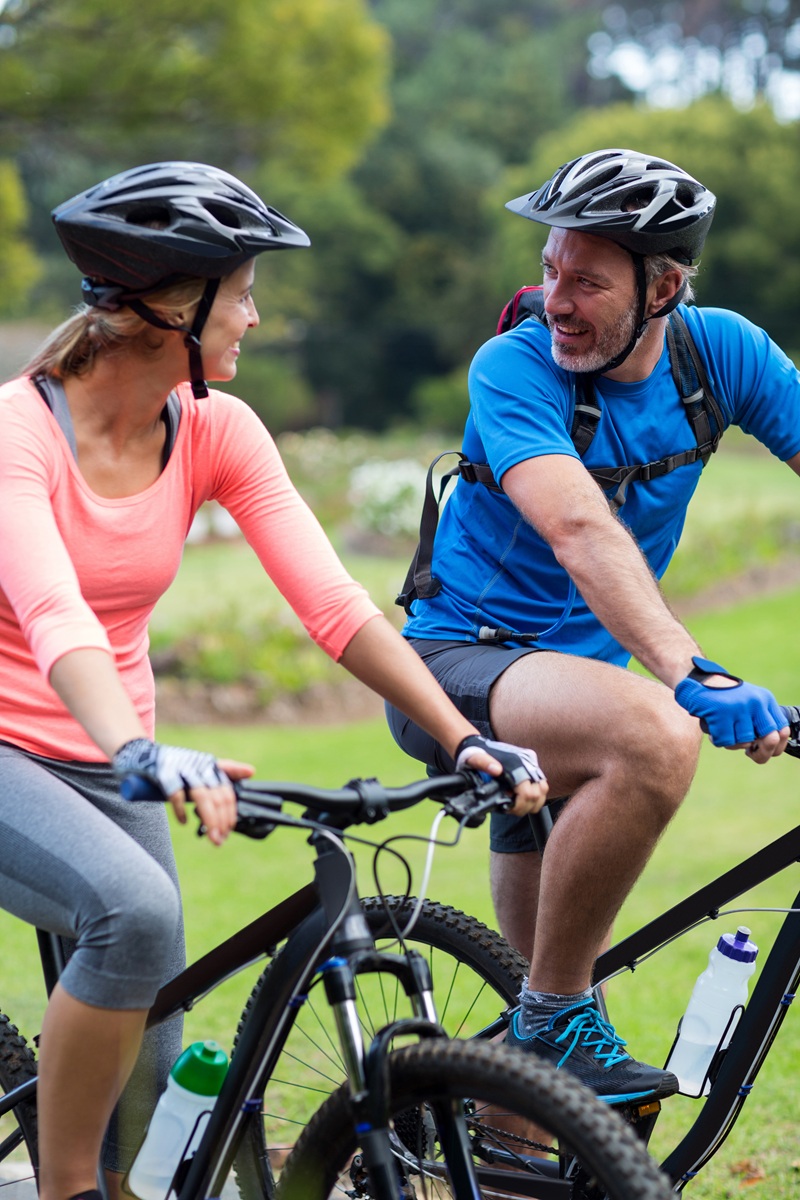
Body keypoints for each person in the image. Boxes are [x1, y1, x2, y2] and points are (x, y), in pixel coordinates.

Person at [0, 161, 547, 1200]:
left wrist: (457, 732)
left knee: (151, 1065)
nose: (254, 315)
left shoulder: (212, 428)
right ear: (173, 306)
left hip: (112, 753)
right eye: (242, 291)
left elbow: (333, 605)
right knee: (137, 914)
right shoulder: (18, 433)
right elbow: (54, 614)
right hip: (43, 744)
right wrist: (140, 753)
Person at [386, 147, 797, 1104]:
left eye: (587, 280)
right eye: (550, 270)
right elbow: (575, 525)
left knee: (543, 1121)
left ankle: (531, 1049)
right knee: (656, 734)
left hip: (578, 694)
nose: (557, 298)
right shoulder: (516, 366)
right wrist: (690, 675)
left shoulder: (722, 354)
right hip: (459, 670)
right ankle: (552, 1017)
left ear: (664, 287)